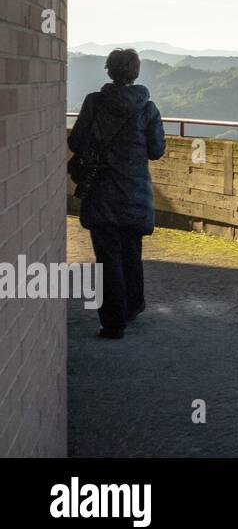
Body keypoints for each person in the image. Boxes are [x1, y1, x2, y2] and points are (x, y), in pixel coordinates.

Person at [68, 49, 166, 338]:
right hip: (134, 192)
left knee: (107, 258)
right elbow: (157, 150)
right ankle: (132, 306)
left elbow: (75, 141)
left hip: (101, 191)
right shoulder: (148, 109)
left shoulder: (95, 103)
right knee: (131, 251)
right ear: (135, 72)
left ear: (109, 70)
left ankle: (112, 323)